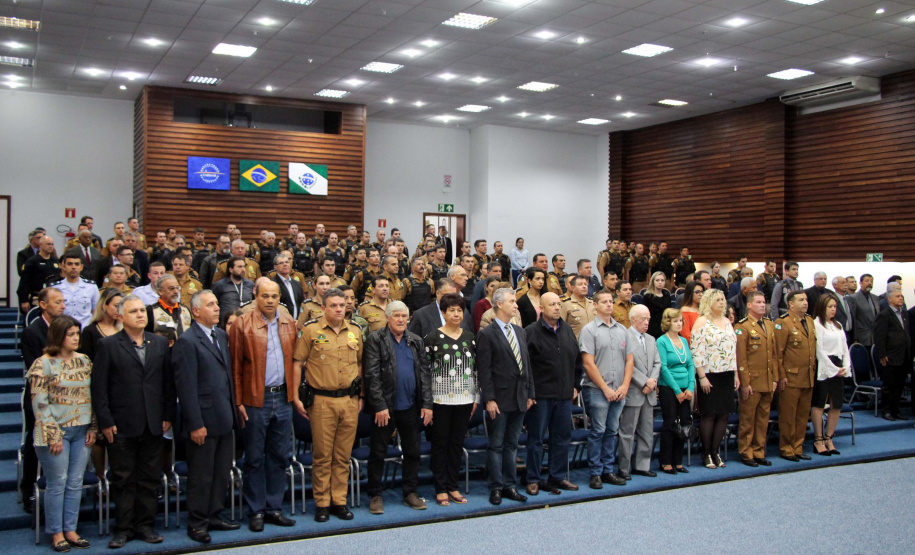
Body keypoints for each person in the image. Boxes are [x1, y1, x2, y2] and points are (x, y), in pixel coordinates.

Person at [91, 295, 175, 548]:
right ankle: (124, 528)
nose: (140, 314)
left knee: (149, 477)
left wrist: (168, 415)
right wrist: (105, 421)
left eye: (143, 310)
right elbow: (99, 388)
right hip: (121, 423)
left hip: (153, 421)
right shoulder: (108, 345)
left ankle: (145, 525)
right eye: (134, 311)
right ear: (120, 316)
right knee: (123, 478)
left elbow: (168, 384)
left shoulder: (159, 343)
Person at [172, 290, 241, 543]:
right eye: (210, 305)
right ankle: (197, 522)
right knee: (202, 475)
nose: (216, 308)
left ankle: (214, 515)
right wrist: (195, 424)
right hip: (203, 420)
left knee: (221, 472)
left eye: (216, 304)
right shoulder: (187, 341)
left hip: (224, 416)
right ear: (196, 311)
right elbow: (186, 388)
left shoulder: (221, 335)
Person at [230, 281, 298, 531]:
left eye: (274, 296)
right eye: (265, 296)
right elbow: (235, 367)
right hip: (255, 399)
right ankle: (256, 510)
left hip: (282, 398)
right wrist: (237, 401)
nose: (270, 300)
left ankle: (274, 507)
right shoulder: (242, 324)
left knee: (280, 456)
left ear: (280, 298)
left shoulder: (289, 322)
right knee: (255, 457)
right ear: (255, 297)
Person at [293, 288, 364, 523]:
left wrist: (360, 395)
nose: (338, 309)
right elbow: (297, 363)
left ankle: (339, 501)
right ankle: (322, 503)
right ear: (323, 307)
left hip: (349, 400)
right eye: (333, 305)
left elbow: (360, 364)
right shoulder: (311, 330)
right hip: (321, 400)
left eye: (341, 305)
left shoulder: (355, 331)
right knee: (323, 456)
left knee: (343, 455)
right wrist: (295, 395)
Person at [27, 315, 97, 551]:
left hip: (81, 430)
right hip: (54, 432)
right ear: (59, 336)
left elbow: (92, 396)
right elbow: (39, 402)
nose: (76, 338)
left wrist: (93, 426)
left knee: (76, 482)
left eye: (77, 333)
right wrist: (53, 434)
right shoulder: (42, 363)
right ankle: (56, 532)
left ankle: (71, 529)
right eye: (71, 334)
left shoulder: (85, 360)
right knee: (58, 482)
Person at [363, 301, 432, 514]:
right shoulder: (376, 339)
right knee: (378, 452)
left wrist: (428, 404)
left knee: (412, 451)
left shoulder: (416, 341)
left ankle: (410, 493)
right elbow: (371, 375)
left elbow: (424, 374)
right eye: (397, 316)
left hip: (411, 406)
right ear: (387, 317)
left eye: (404, 316)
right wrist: (379, 405)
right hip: (385, 408)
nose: (401, 320)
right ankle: (375, 495)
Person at [477, 288, 534, 505]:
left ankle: (511, 485)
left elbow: (526, 365)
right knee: (497, 445)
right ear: (499, 304)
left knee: (512, 445)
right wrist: (489, 399)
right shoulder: (487, 333)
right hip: (499, 399)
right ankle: (496, 487)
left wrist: (530, 393)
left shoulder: (520, 332)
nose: (516, 305)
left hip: (520, 397)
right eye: (512, 301)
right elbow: (484, 370)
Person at [523, 292, 582, 494]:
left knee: (562, 437)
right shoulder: (531, 332)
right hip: (540, 396)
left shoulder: (567, 330)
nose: (557, 307)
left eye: (559, 304)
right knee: (536, 439)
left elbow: (577, 359)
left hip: (564, 395)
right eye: (552, 304)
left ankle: (557, 476)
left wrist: (576, 385)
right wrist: (529, 393)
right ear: (541, 308)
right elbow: (525, 367)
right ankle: (533, 478)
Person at [423, 293, 477, 506]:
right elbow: (425, 372)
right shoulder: (432, 337)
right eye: (451, 310)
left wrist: (475, 397)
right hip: (440, 400)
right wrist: (427, 402)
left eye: (459, 310)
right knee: (440, 444)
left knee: (456, 443)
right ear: (443, 313)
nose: (456, 314)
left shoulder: (470, 337)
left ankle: (453, 485)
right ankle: (441, 487)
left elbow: (475, 369)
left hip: (465, 399)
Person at [579, 289, 633, 489]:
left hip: (619, 389)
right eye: (604, 301)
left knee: (612, 431)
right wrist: (605, 389)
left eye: (611, 301)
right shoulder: (589, 330)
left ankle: (608, 470)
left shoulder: (622, 330)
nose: (609, 305)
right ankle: (595, 473)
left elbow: (629, 360)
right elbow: (588, 364)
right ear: (595, 305)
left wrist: (625, 385)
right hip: (597, 389)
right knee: (598, 431)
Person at [692, 288, 738, 469]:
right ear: (709, 302)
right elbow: (696, 351)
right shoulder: (701, 322)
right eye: (718, 299)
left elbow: (733, 349)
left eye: (723, 299)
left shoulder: (727, 321)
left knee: (724, 414)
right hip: (709, 373)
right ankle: (706, 454)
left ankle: (716, 451)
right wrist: (701, 376)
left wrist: (735, 374)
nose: (722, 302)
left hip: (726, 373)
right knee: (709, 414)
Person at [618, 305, 661, 479]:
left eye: (648, 319)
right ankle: (624, 467)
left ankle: (642, 465)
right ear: (633, 319)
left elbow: (657, 363)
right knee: (627, 432)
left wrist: (652, 382)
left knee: (646, 431)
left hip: (649, 391)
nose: (647, 322)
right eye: (643, 319)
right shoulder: (624, 336)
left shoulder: (651, 339)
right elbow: (625, 364)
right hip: (634, 390)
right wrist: (644, 381)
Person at [734, 291, 777, 467]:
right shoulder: (742, 326)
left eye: (764, 302)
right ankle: (746, 452)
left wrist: (775, 378)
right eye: (758, 302)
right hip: (752, 381)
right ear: (749, 305)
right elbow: (741, 358)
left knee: (762, 419)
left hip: (767, 380)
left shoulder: (769, 324)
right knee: (748, 419)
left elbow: (773, 355)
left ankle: (759, 450)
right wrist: (745, 382)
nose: (762, 305)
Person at [774, 290, 817, 462]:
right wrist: (781, 375)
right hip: (790, 377)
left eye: (806, 299)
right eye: (801, 300)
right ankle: (786, 448)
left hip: (807, 376)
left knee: (802, 415)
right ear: (791, 304)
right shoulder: (782, 323)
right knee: (788, 416)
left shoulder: (810, 321)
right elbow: (778, 353)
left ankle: (798, 447)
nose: (805, 303)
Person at [810, 293, 850, 456]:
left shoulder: (838, 325)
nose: (833, 310)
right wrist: (833, 368)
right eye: (830, 307)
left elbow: (845, 348)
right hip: (824, 367)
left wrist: (846, 366)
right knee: (819, 404)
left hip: (839, 366)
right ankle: (818, 439)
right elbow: (819, 350)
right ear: (822, 307)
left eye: (835, 307)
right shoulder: (817, 324)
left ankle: (829, 437)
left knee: (836, 405)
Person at [656, 308, 694, 474]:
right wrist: (677, 390)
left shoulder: (684, 341)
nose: (679, 323)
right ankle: (666, 461)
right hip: (669, 388)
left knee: (684, 423)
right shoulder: (662, 341)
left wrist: (691, 387)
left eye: (680, 321)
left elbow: (690, 364)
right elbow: (663, 368)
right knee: (670, 423)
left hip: (686, 388)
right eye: (675, 321)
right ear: (668, 322)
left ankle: (678, 461)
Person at [873, 289, 911, 422]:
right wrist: (882, 354)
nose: (901, 298)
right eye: (898, 296)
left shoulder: (905, 314)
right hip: (890, 356)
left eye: (902, 296)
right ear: (889, 299)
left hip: (904, 355)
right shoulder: (884, 315)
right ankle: (887, 411)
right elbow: (879, 336)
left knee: (900, 385)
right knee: (889, 385)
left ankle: (896, 410)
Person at [408, 279, 473, 338]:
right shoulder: (421, 315)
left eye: (454, 296)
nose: (451, 300)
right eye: (447, 296)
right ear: (437, 293)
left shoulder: (464, 312)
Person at [52, 252, 100, 329]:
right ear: (63, 266)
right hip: (63, 329)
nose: (73, 267)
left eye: (77, 264)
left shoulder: (91, 287)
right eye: (70, 264)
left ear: (81, 267)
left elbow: (96, 311)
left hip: (85, 330)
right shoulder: (56, 288)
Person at [146, 275, 192, 347]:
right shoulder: (151, 311)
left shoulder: (185, 309)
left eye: (177, 288)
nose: (176, 291)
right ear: (160, 291)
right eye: (171, 288)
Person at [18, 234, 61, 312]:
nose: (51, 246)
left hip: (54, 297)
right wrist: (24, 300)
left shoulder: (56, 261)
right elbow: (25, 282)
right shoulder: (32, 261)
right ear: (41, 245)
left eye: (52, 244)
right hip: (37, 297)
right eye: (48, 244)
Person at [271, 252, 306, 321]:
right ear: (275, 267)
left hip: (296, 322)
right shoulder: (272, 283)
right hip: (279, 321)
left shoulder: (297, 284)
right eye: (281, 263)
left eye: (287, 262)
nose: (285, 264)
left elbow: (302, 303)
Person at [560, 275, 596, 340]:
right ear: (573, 288)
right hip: (576, 343)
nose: (584, 286)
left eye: (585, 284)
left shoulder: (593, 303)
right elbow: (560, 327)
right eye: (580, 284)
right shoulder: (566, 304)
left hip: (594, 342)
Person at [850, 274, 880, 348]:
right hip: (863, 337)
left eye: (871, 281)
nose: (869, 283)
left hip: (876, 336)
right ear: (860, 283)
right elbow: (853, 319)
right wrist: (855, 338)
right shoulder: (853, 298)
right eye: (867, 281)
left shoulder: (875, 298)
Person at [642, 272, 671, 339]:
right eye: (657, 280)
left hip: (664, 328)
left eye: (662, 280)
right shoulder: (648, 297)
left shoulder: (667, 296)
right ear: (653, 282)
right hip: (651, 329)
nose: (660, 282)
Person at [830, 275, 854, 344]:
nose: (846, 284)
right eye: (843, 283)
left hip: (850, 335)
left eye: (846, 282)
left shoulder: (849, 299)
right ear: (835, 285)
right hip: (838, 334)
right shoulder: (832, 299)